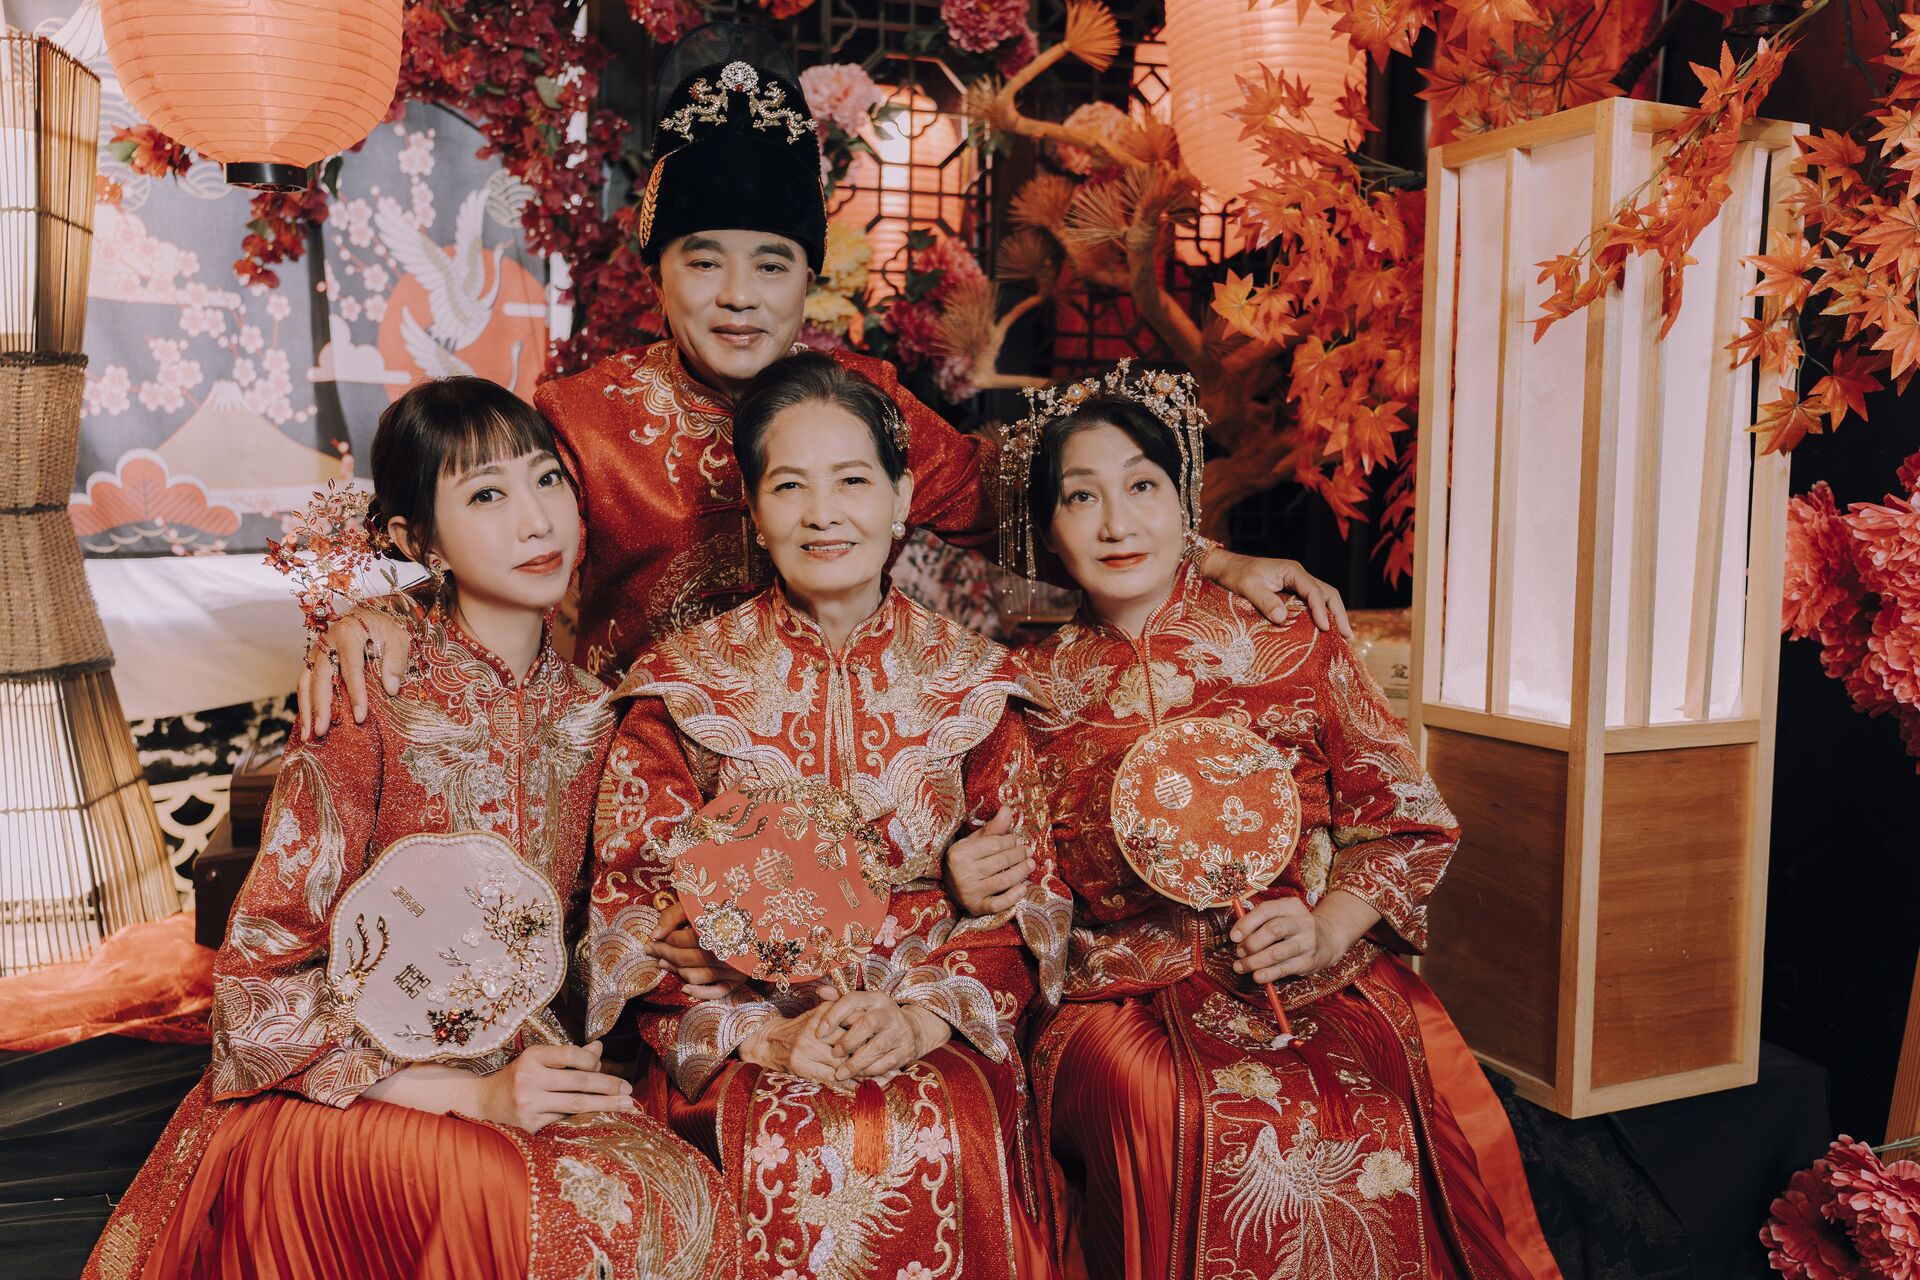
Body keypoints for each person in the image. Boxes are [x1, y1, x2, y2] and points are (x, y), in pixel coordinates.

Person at [296, 22, 1349, 741]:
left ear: (812, 277)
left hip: (843, 766)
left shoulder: (862, 403)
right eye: (704, 261)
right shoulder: (583, 414)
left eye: (772, 265)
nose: (738, 296)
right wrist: (387, 618)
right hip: (641, 776)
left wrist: (1214, 559)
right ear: (656, 271)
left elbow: (1026, 504)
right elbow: (496, 546)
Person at [84, 379, 740, 1280]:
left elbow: (587, 949)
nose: (536, 521)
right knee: (525, 1207)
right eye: (486, 495)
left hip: (528, 1074)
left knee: (677, 1190)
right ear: (414, 540)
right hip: (350, 1090)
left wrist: (678, 946)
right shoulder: (371, 696)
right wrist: (466, 1094)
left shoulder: (598, 717)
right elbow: (257, 986)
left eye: (548, 480)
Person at [943, 364, 1565, 1280]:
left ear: (1184, 504)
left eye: (1143, 487)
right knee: (1172, 1109)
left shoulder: (1290, 638)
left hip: (1307, 975)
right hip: (1119, 1000)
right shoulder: (1027, 688)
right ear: (1046, 526)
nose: (1117, 524)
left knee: (1355, 1114)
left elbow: (1408, 820)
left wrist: (1328, 928)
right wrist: (974, 877)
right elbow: (1026, 885)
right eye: (1081, 496)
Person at [584, 352, 1072, 1280]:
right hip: (742, 1031)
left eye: (852, 481)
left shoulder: (975, 684)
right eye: (789, 486)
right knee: (778, 1140)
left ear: (901, 498)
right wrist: (759, 1030)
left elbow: (1031, 899)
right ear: (753, 512)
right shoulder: (681, 687)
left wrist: (923, 1020)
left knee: (937, 1126)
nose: (822, 513)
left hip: (926, 1011)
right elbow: (628, 906)